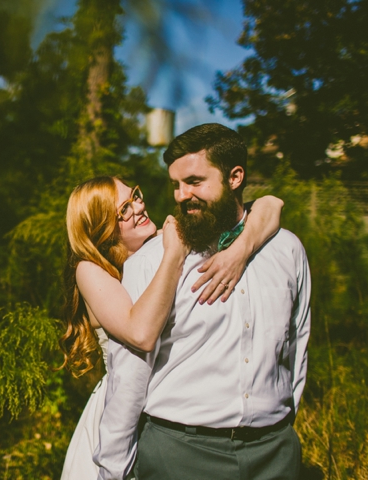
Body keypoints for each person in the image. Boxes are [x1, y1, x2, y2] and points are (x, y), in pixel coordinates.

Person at [95, 123, 311, 480]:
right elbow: (128, 378)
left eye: (194, 182)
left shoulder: (287, 249)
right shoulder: (150, 262)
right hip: (178, 455)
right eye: (176, 185)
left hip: (275, 454)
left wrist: (283, 428)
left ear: (235, 177)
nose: (181, 195)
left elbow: (297, 346)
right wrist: (112, 471)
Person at [59, 175, 285, 479]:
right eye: (123, 210)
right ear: (102, 228)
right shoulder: (90, 270)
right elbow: (141, 333)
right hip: (121, 415)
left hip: (168, 415)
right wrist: (174, 255)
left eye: (135, 196)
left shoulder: (157, 243)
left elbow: (271, 205)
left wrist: (240, 249)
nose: (138, 207)